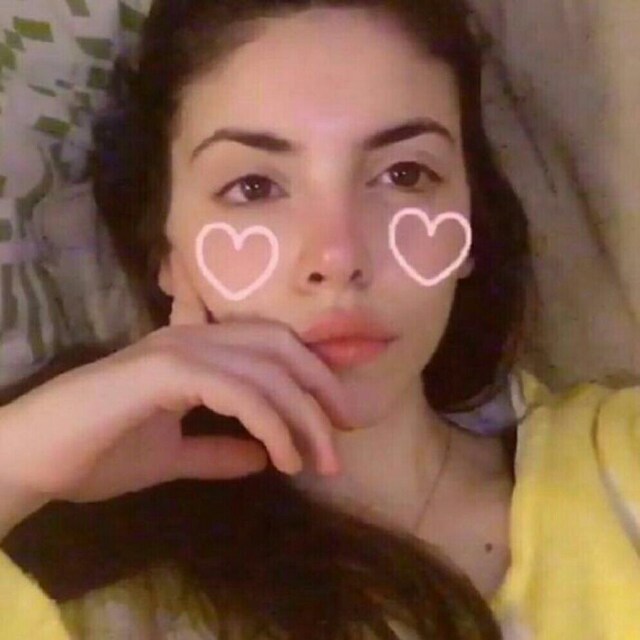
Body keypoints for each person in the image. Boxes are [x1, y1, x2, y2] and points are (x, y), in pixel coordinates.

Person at [1, 0, 638, 638]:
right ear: (165, 251)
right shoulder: (86, 598)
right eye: (254, 187)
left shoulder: (618, 465)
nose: (338, 259)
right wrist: (17, 461)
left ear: (470, 221)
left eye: (405, 173)